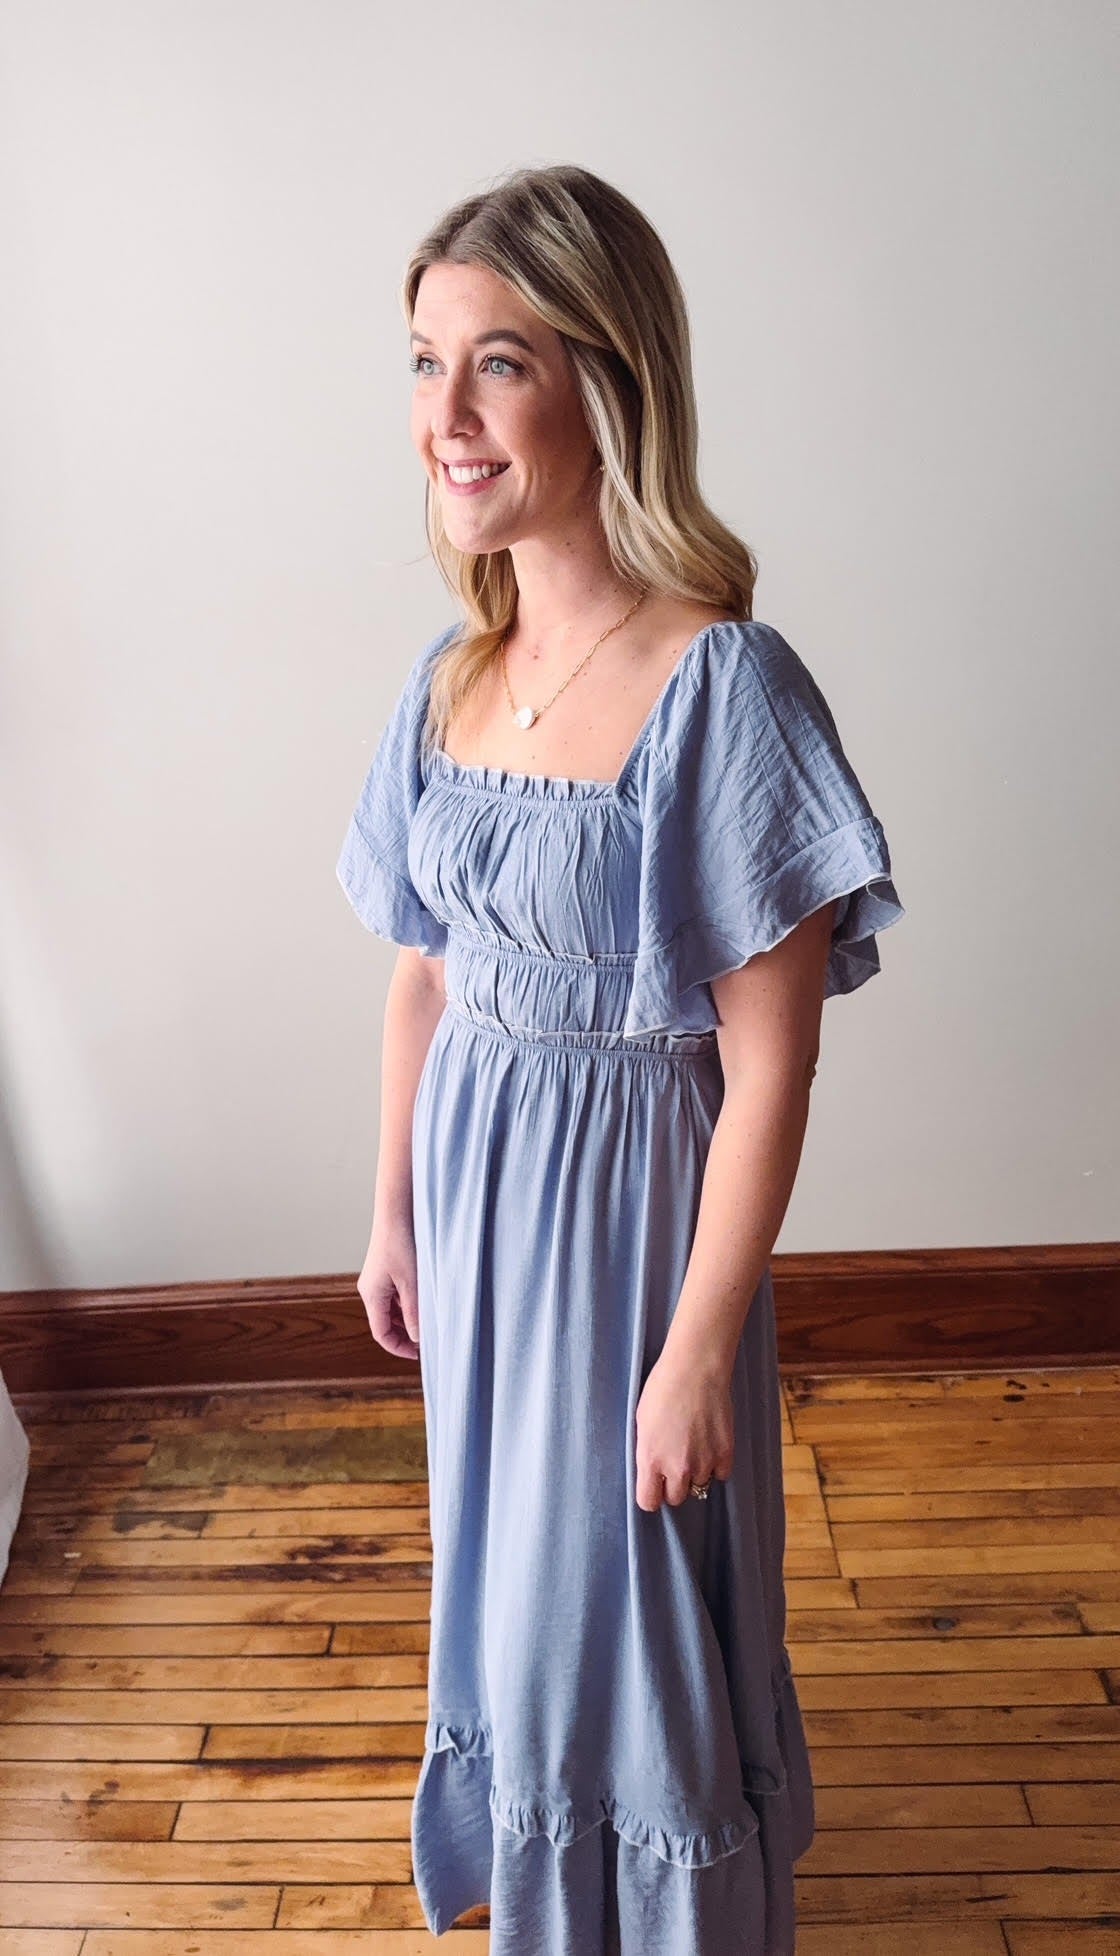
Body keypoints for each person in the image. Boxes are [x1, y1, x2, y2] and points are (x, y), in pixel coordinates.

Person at [336, 162, 905, 1956]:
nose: (446, 413)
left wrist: (699, 1348)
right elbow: (422, 978)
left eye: (498, 363)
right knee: (512, 1590)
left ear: (608, 381)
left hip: (634, 1246)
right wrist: (393, 1209)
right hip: (482, 1230)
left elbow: (772, 1069)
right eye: (424, 361)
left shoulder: (728, 689)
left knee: (631, 1606)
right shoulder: (453, 679)